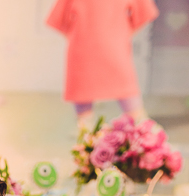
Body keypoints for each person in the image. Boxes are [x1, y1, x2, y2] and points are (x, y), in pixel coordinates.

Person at [46, 0, 159, 128]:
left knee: (85, 120)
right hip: (113, 49)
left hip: (84, 49)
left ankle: (87, 141)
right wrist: (122, 32)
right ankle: (144, 138)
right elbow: (145, 13)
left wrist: (81, 33)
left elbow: (59, 21)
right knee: (135, 112)